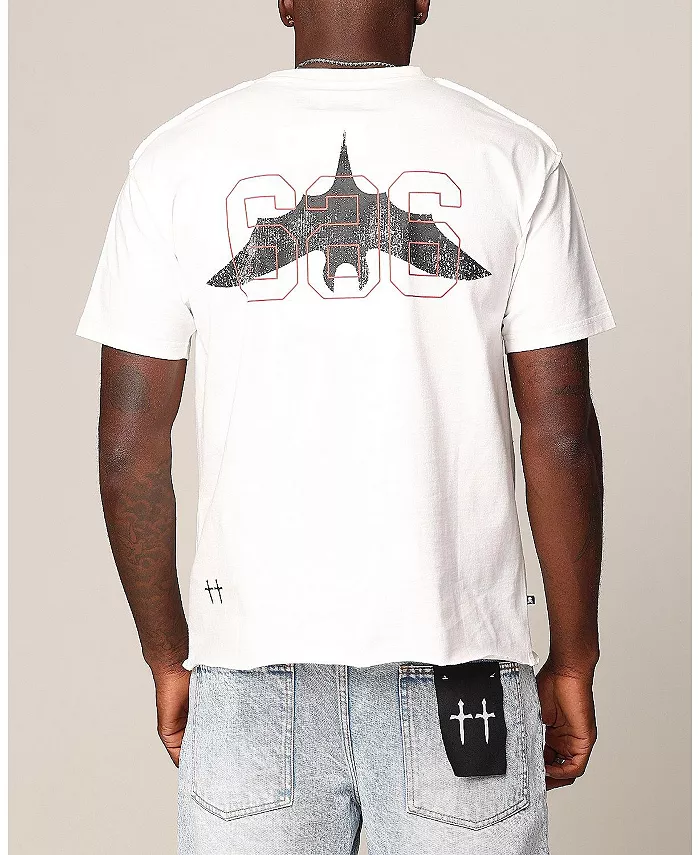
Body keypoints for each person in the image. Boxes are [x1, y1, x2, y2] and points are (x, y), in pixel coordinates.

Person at [76, 0, 616, 852]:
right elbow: (561, 435)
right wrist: (574, 656)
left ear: (285, 1)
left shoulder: (176, 157)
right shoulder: (513, 155)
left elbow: (127, 448)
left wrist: (168, 654)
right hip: (460, 668)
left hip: (248, 675)